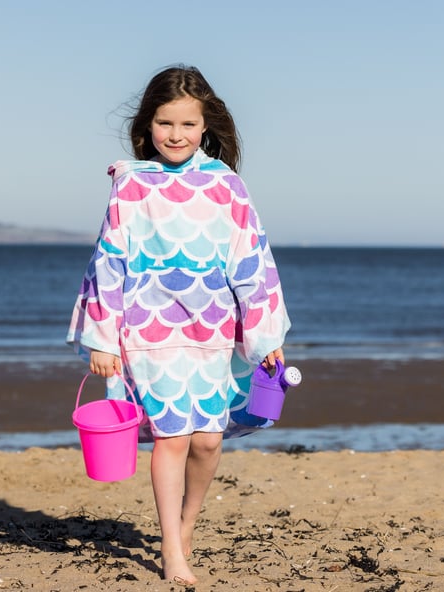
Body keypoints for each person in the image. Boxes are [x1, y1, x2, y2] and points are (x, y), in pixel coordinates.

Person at [67, 64, 291, 585]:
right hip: (148, 333)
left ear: (205, 127)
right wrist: (102, 338)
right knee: (173, 436)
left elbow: (252, 261)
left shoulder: (226, 185)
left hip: (212, 333)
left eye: (187, 125)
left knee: (208, 442)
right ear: (148, 126)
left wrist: (265, 339)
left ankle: (186, 527)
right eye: (165, 124)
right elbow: (109, 261)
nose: (176, 135)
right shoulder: (132, 185)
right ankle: (172, 548)